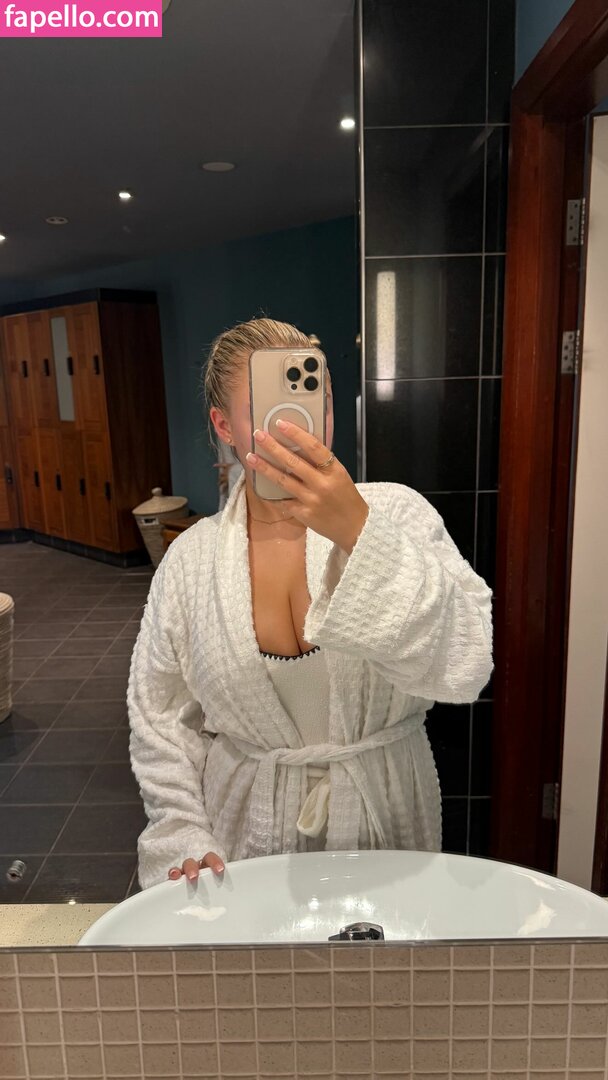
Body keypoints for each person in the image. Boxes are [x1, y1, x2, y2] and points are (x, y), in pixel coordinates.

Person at [128, 318, 493, 889]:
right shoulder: (190, 563)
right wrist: (181, 831)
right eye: (269, 406)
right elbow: (161, 716)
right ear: (223, 426)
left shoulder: (396, 515)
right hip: (245, 835)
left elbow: (466, 666)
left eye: (312, 396)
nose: (295, 423)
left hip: (384, 820)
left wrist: (359, 534)